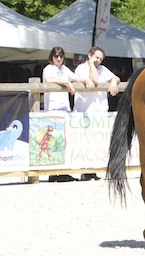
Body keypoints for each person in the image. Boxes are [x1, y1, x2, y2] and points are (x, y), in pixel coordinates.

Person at [42, 46, 92, 183]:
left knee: (64, 141)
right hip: (53, 108)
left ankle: (63, 171)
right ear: (52, 57)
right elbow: (48, 80)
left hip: (65, 108)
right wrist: (66, 83)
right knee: (54, 141)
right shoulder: (48, 69)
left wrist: (85, 80)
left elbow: (75, 77)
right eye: (56, 56)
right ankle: (53, 173)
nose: (58, 58)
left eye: (61, 56)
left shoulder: (64, 69)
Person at [74, 46, 121, 181]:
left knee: (98, 141)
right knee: (84, 141)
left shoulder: (102, 69)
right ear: (89, 55)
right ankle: (85, 170)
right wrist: (90, 64)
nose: (98, 61)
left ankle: (94, 169)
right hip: (85, 111)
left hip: (99, 110)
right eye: (96, 57)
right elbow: (94, 80)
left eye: (100, 59)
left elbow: (116, 77)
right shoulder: (81, 68)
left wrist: (112, 81)